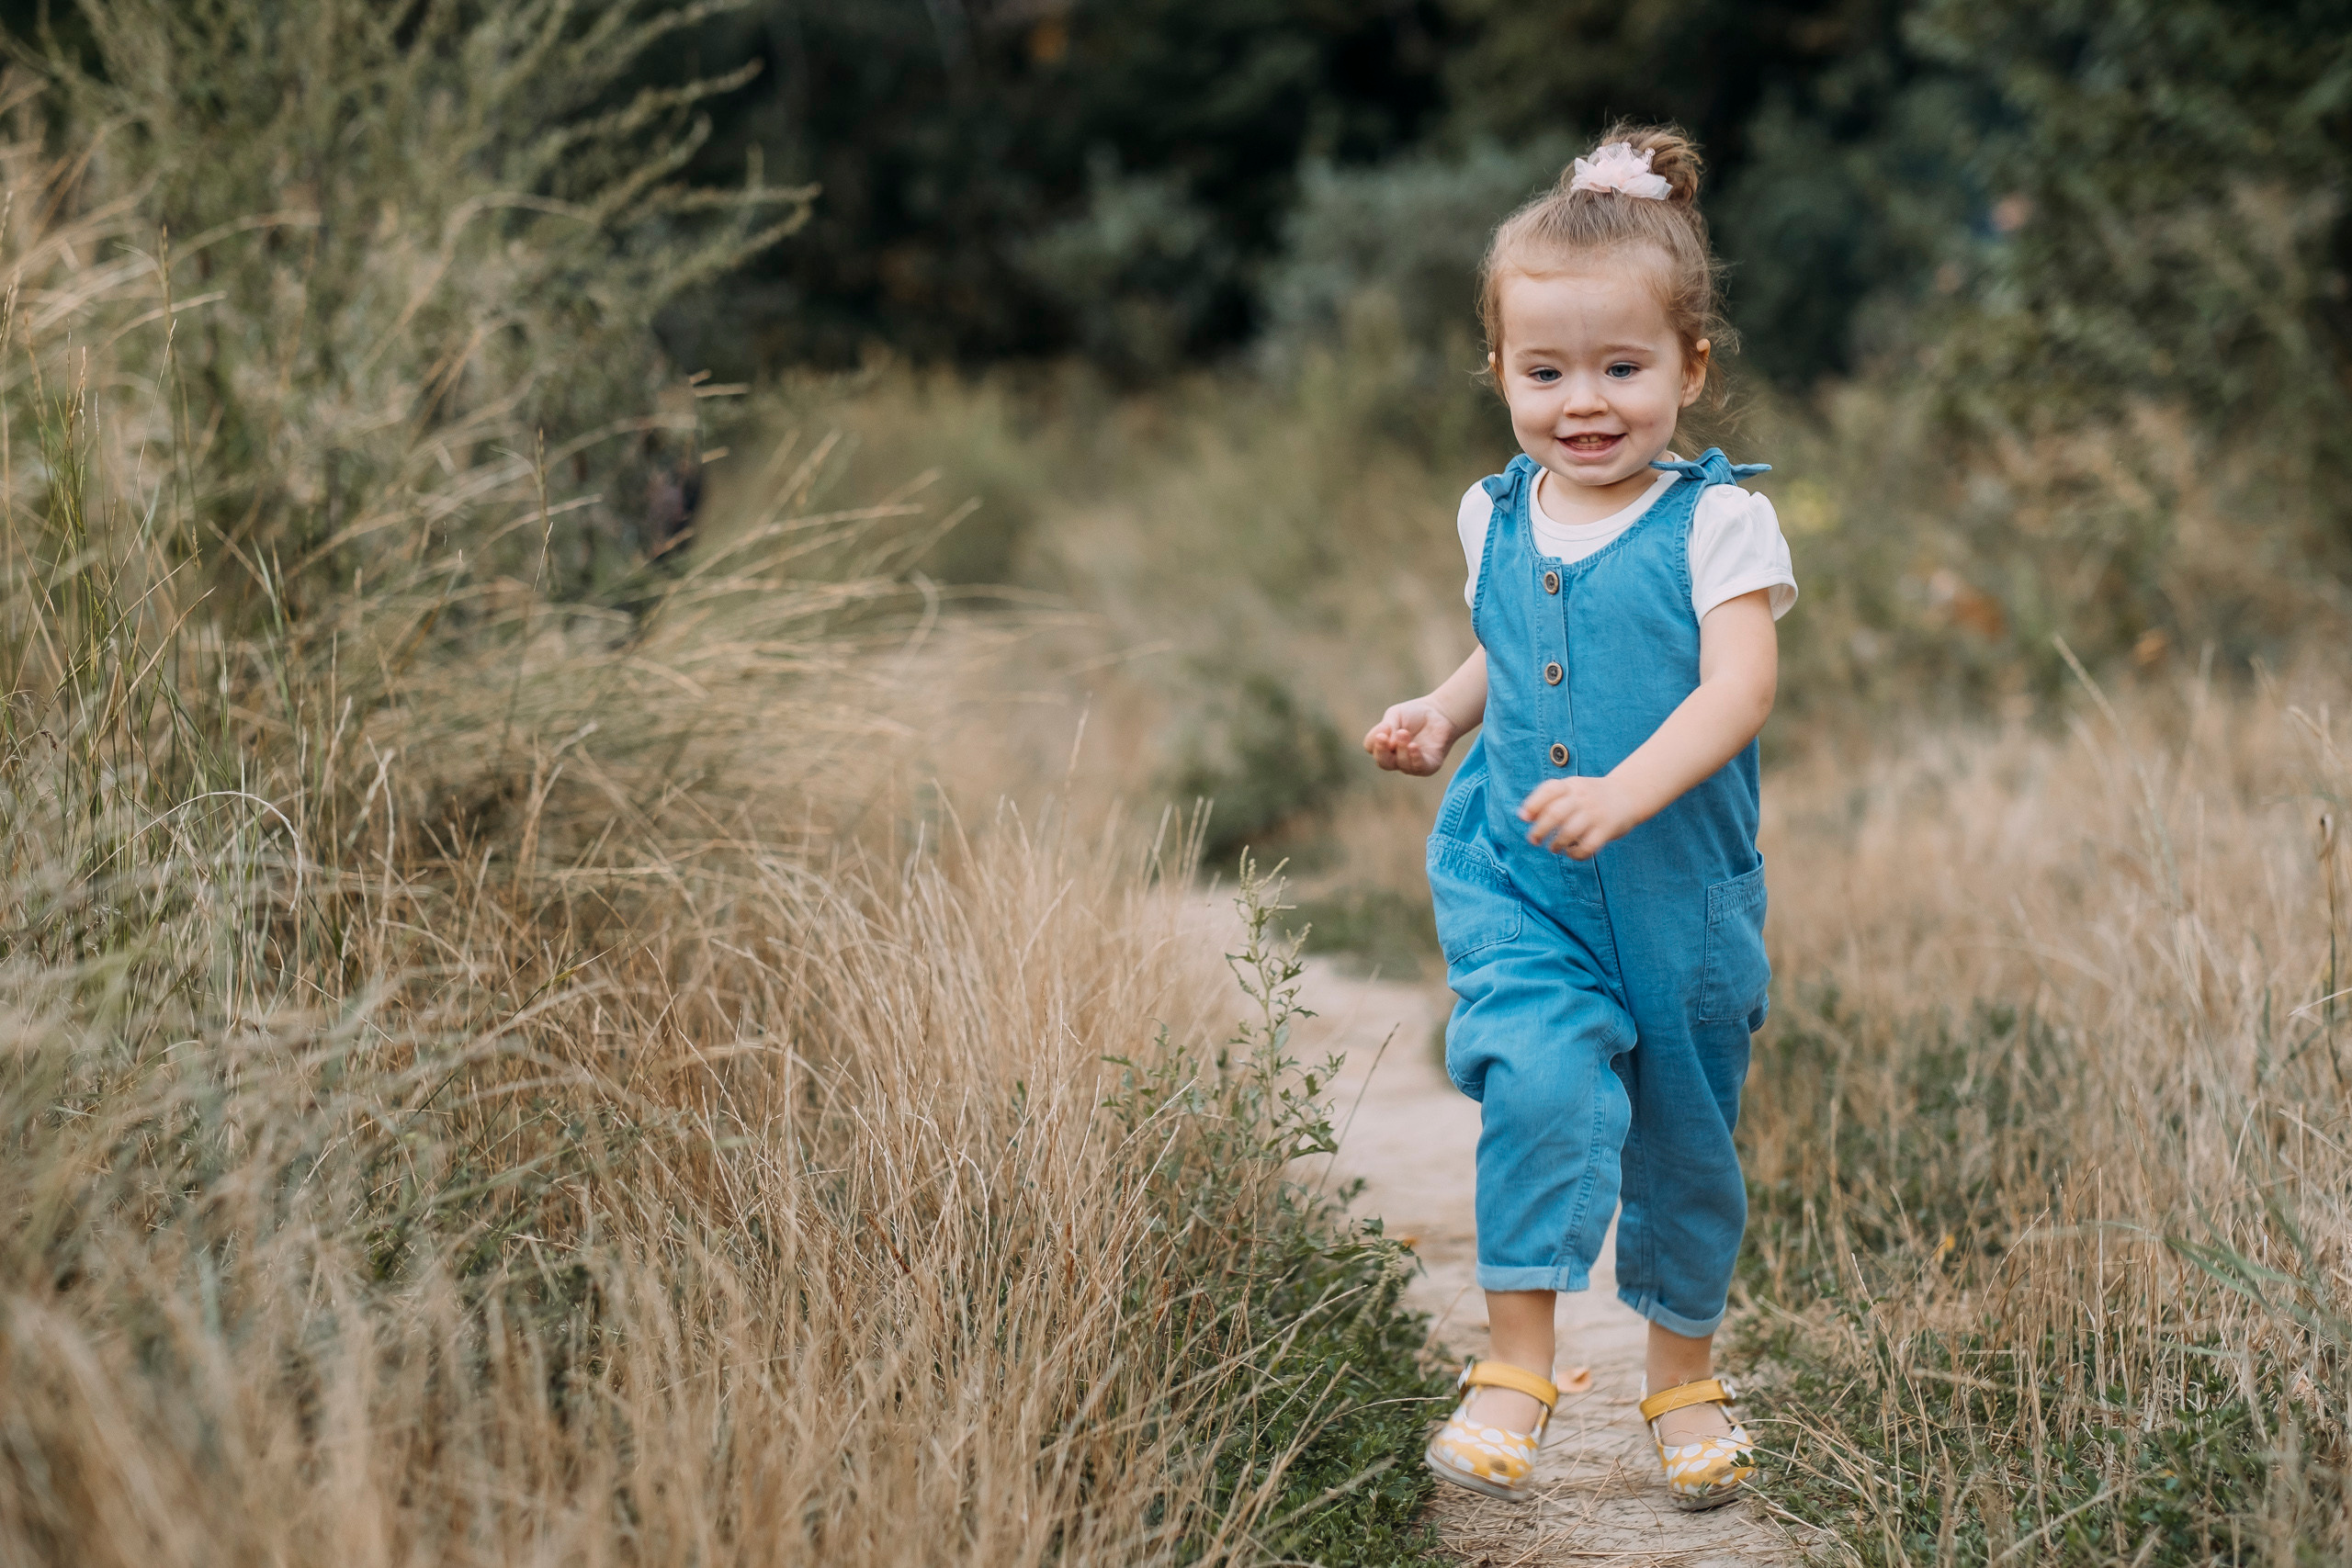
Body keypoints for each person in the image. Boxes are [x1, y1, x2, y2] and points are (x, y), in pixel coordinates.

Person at [1363, 124, 1796, 1510]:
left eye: (1624, 368)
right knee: (1539, 1083)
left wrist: (1626, 789)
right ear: (1499, 370)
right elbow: (1513, 638)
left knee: (1685, 1141)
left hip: (1680, 897)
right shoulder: (1494, 515)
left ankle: (1680, 1379)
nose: (1583, 403)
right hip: (1525, 882)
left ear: (1692, 368)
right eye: (1545, 372)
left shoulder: (1720, 527)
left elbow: (1737, 691)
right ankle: (1514, 1366)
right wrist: (1444, 710)